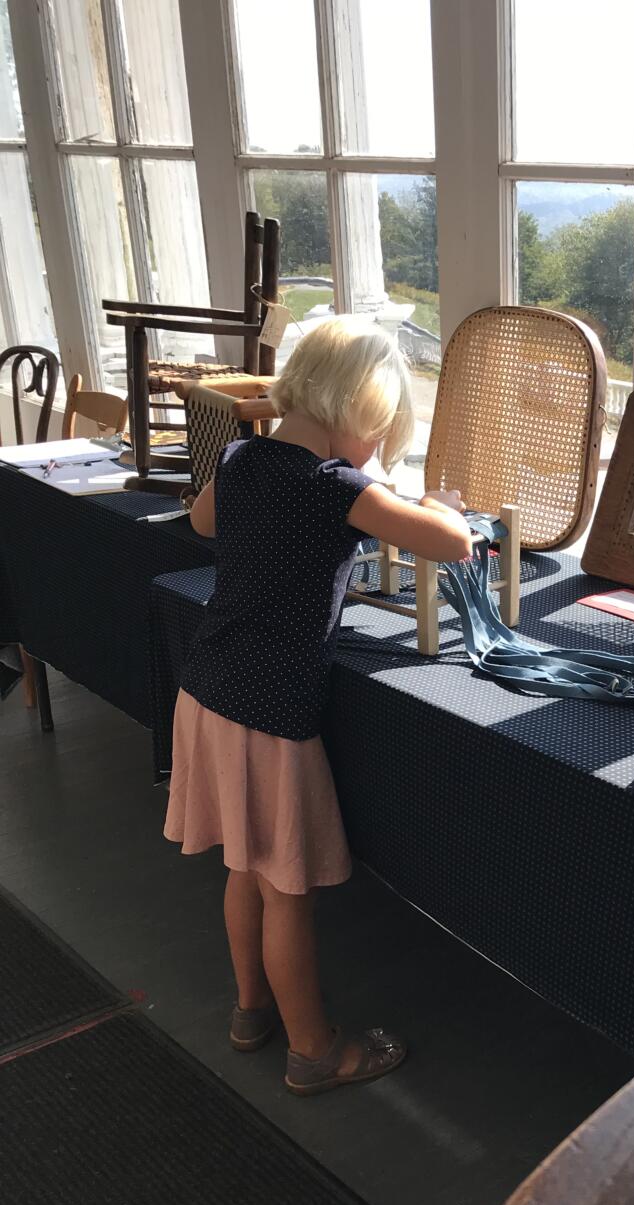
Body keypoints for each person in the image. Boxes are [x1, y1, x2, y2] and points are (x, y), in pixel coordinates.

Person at [164, 317, 473, 1094]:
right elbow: (455, 545)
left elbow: (201, 522)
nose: (376, 450)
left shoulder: (242, 457)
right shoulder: (336, 487)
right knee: (286, 890)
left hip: (206, 687)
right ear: (357, 411)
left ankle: (250, 1012)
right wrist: (438, 502)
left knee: (243, 869)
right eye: (380, 432)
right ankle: (313, 1050)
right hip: (268, 713)